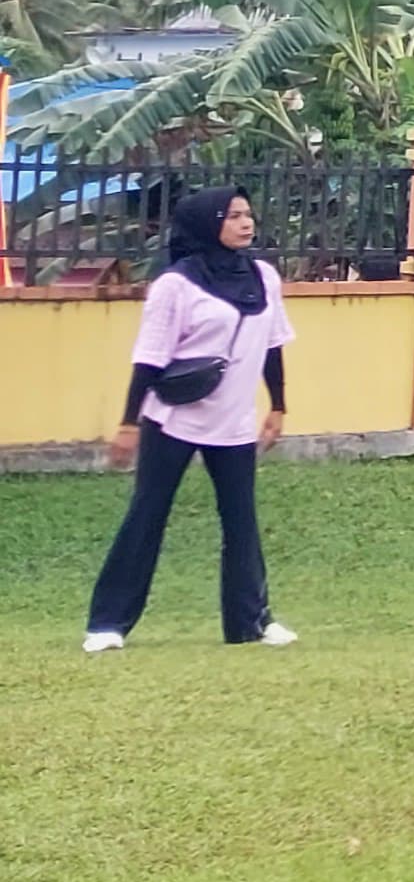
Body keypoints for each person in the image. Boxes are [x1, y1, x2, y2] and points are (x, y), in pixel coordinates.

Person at [84, 187, 296, 654]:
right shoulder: (175, 285)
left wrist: (278, 407)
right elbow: (149, 358)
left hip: (234, 424)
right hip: (172, 420)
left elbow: (272, 345)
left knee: (241, 522)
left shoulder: (263, 277)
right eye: (233, 215)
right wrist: (129, 423)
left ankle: (251, 622)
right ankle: (107, 624)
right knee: (147, 516)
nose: (246, 223)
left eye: (248, 213)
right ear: (207, 223)